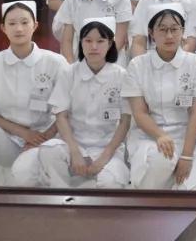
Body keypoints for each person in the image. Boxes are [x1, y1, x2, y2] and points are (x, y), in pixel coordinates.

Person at [0, 1, 65, 186]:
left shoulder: (55, 62)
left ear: (35, 25)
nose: (19, 29)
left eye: (24, 22)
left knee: (23, 176)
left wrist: (40, 137)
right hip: (8, 139)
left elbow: (66, 110)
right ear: (3, 28)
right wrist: (22, 132)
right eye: (12, 23)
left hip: (44, 139)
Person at [123, 3, 196, 192]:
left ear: (183, 31)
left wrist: (187, 156)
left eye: (174, 29)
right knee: (161, 161)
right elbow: (140, 113)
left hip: (188, 137)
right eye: (163, 30)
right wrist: (161, 135)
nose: (169, 36)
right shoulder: (138, 65)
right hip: (150, 137)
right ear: (151, 33)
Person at [39, 18, 131, 189]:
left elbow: (125, 122)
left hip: (107, 148)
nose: (93, 47)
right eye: (88, 41)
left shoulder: (121, 75)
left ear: (110, 43)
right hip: (73, 144)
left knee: (109, 183)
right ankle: (62, 195)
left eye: (100, 41)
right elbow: (61, 116)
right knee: (49, 150)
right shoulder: (69, 73)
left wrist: (103, 158)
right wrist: (75, 153)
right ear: (80, 43)